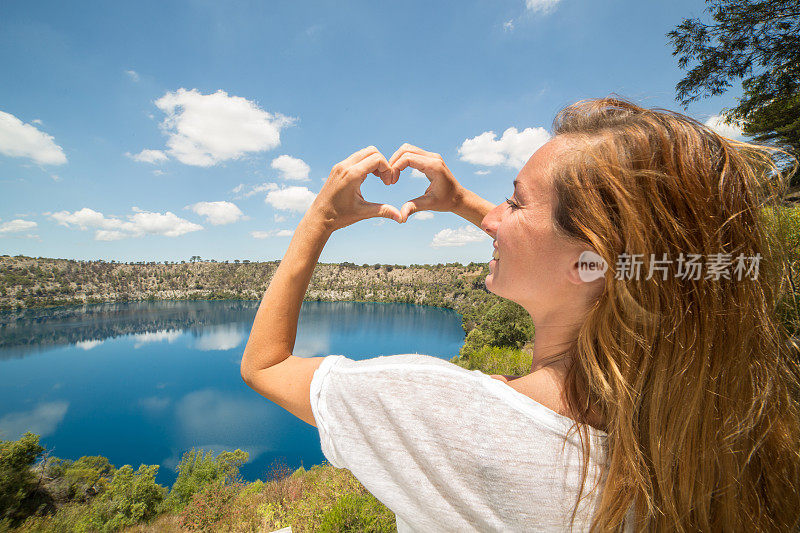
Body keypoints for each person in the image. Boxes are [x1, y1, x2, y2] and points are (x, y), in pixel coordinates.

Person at [240, 97, 800, 531]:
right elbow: (604, 262)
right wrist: (461, 200)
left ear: (593, 258)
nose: (493, 218)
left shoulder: (434, 408)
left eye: (514, 199)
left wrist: (319, 219)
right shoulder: (725, 437)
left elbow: (264, 364)